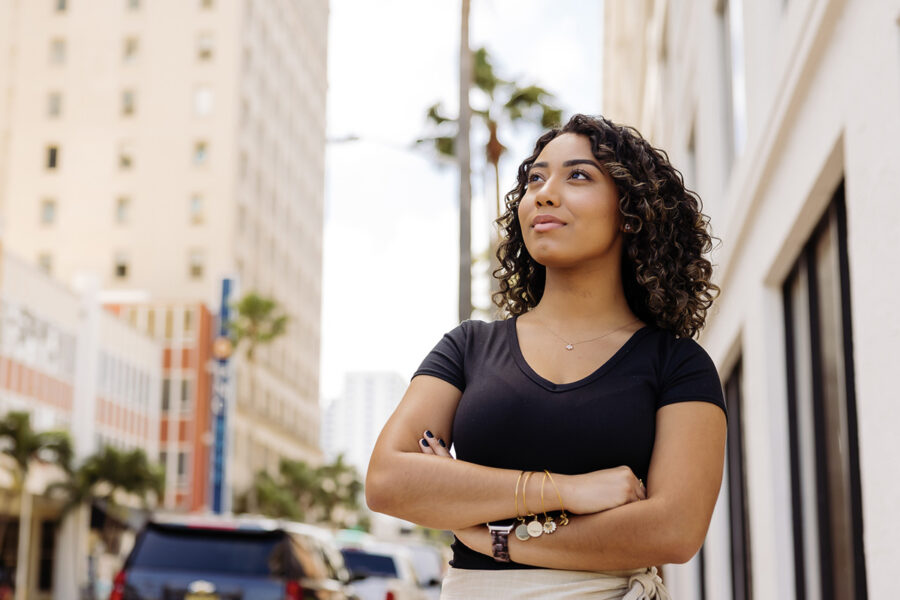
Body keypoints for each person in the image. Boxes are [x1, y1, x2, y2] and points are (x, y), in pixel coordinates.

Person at [366, 114, 727, 599]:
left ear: (631, 211)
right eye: (536, 178)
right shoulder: (469, 347)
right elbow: (389, 480)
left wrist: (499, 539)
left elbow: (673, 530)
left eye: (578, 175)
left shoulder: (678, 364)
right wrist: (567, 491)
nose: (544, 192)